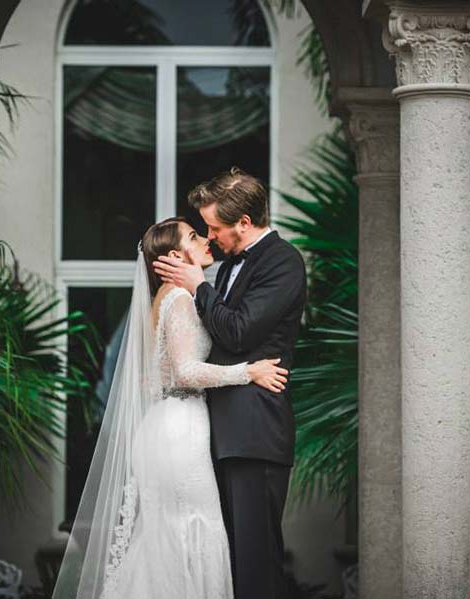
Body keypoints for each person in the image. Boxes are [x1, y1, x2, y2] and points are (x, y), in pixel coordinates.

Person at [52, 216, 289, 599]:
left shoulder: (165, 298)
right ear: (178, 255)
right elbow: (185, 371)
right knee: (191, 531)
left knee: (163, 538)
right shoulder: (179, 298)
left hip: (166, 424)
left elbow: (153, 377)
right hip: (180, 428)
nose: (206, 239)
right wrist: (250, 371)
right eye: (195, 236)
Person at [153, 168, 307, 599]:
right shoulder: (228, 267)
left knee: (255, 561)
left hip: (254, 430)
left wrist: (199, 286)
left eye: (215, 227)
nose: (210, 235)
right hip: (218, 431)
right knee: (225, 562)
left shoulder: (282, 262)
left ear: (244, 222)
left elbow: (238, 333)